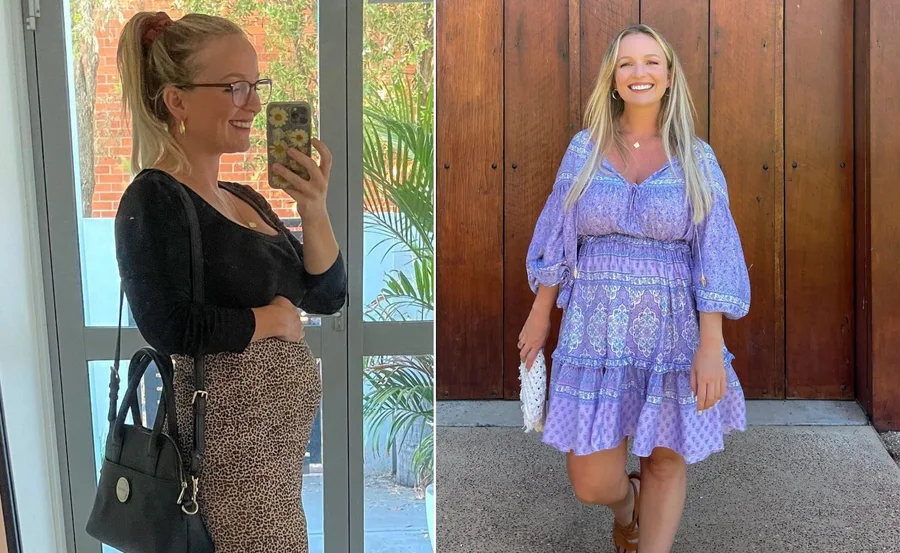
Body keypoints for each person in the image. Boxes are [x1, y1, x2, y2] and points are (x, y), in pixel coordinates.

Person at [113, 11, 347, 552]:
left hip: (278, 478)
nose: (256, 105)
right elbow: (168, 325)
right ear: (177, 101)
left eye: (256, 85)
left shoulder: (245, 199)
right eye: (235, 87)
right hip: (226, 484)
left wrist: (313, 208)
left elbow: (328, 295)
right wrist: (270, 321)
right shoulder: (152, 200)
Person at [517, 24, 750, 553]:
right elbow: (559, 230)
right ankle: (628, 510)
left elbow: (713, 249)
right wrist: (541, 312)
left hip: (674, 329)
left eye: (651, 62)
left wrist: (711, 344)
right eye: (627, 64)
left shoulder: (696, 156)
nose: (639, 73)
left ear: (669, 77)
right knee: (591, 480)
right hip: (595, 328)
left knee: (666, 458)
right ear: (613, 79)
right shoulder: (584, 149)